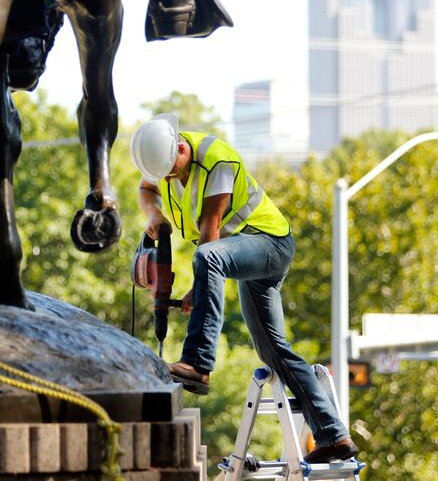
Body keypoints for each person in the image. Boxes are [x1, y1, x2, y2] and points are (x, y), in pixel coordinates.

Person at [130, 113, 359, 463]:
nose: (170, 179)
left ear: (180, 146)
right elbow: (147, 188)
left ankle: (198, 362)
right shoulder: (161, 157)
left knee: (209, 257)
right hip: (241, 254)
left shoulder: (217, 160)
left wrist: (198, 287)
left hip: (269, 244)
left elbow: (210, 235)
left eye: (173, 170)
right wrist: (153, 215)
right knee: (274, 351)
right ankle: (333, 437)